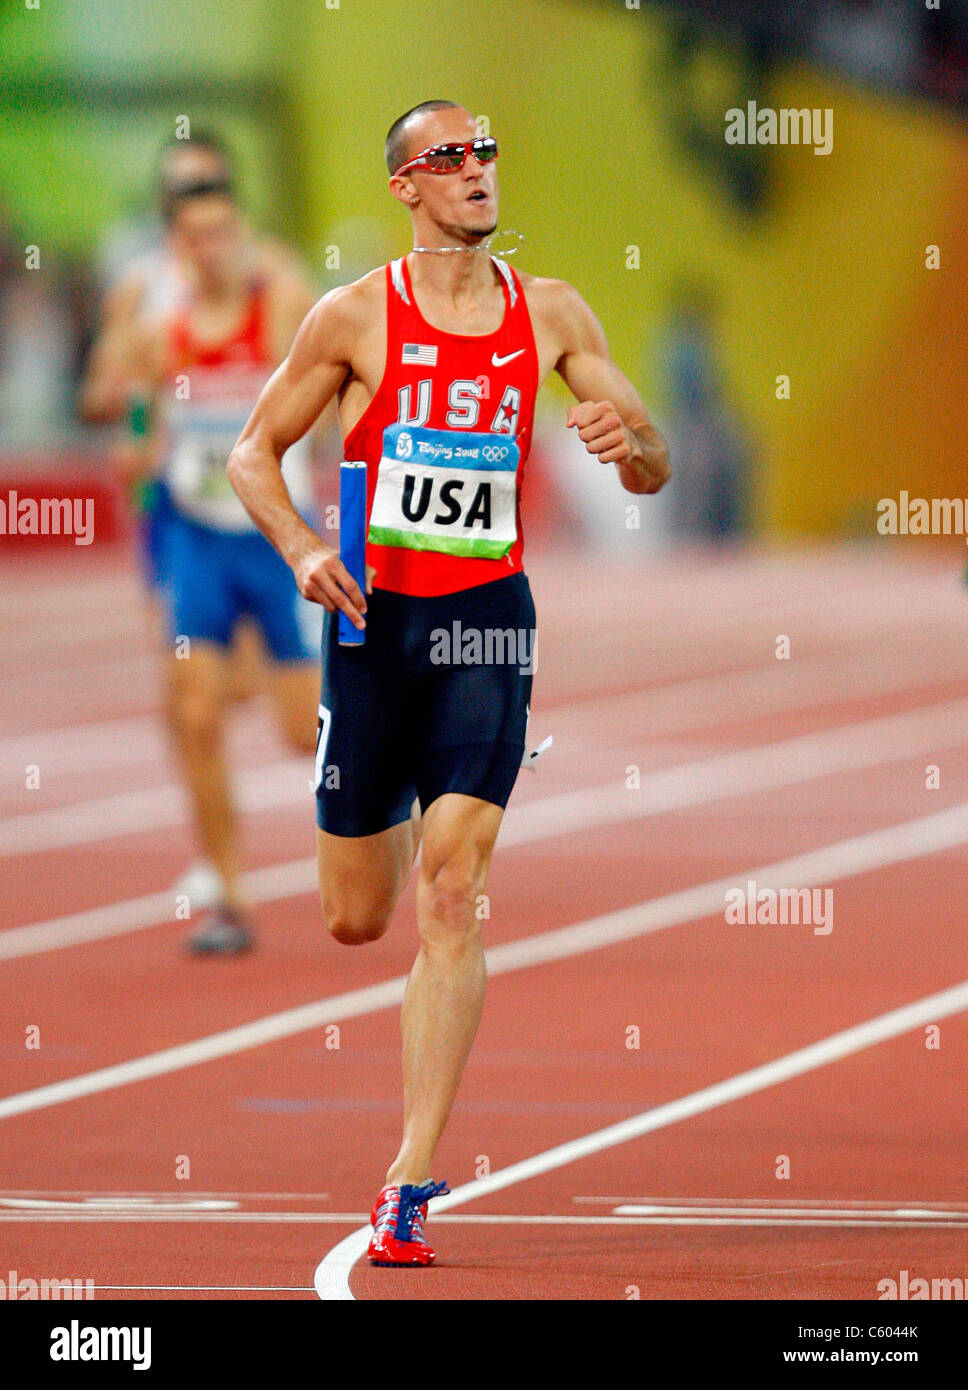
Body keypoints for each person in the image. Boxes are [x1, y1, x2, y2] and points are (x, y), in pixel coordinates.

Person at [227, 100, 670, 1264]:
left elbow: (651, 458)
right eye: (451, 158)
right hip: (372, 630)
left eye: (486, 151)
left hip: (484, 625)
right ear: (406, 189)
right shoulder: (354, 315)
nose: (478, 171)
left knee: (453, 884)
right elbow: (249, 451)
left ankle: (410, 1175)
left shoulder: (551, 310)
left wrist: (633, 448)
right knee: (353, 916)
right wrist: (303, 550)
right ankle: (392, 820)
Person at [80, 132, 317, 913]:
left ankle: (399, 787)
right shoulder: (149, 308)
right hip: (189, 529)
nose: (208, 246)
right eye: (192, 227)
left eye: (220, 222)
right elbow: (116, 399)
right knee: (193, 704)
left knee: (300, 731)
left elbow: (335, 379)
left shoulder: (280, 287)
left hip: (277, 527)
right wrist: (136, 436)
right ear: (170, 230)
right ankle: (225, 882)